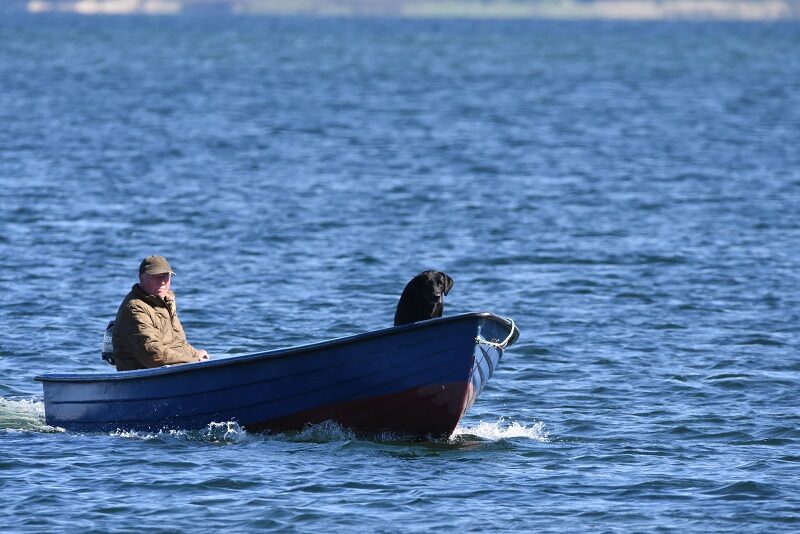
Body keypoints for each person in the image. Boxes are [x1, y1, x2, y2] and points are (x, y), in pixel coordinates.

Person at [112, 255, 209, 371]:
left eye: (165, 276)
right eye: (155, 276)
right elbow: (152, 353)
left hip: (171, 370)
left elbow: (177, 343)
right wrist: (193, 360)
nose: (162, 281)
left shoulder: (165, 302)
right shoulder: (135, 308)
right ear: (141, 278)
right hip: (144, 376)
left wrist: (195, 354)